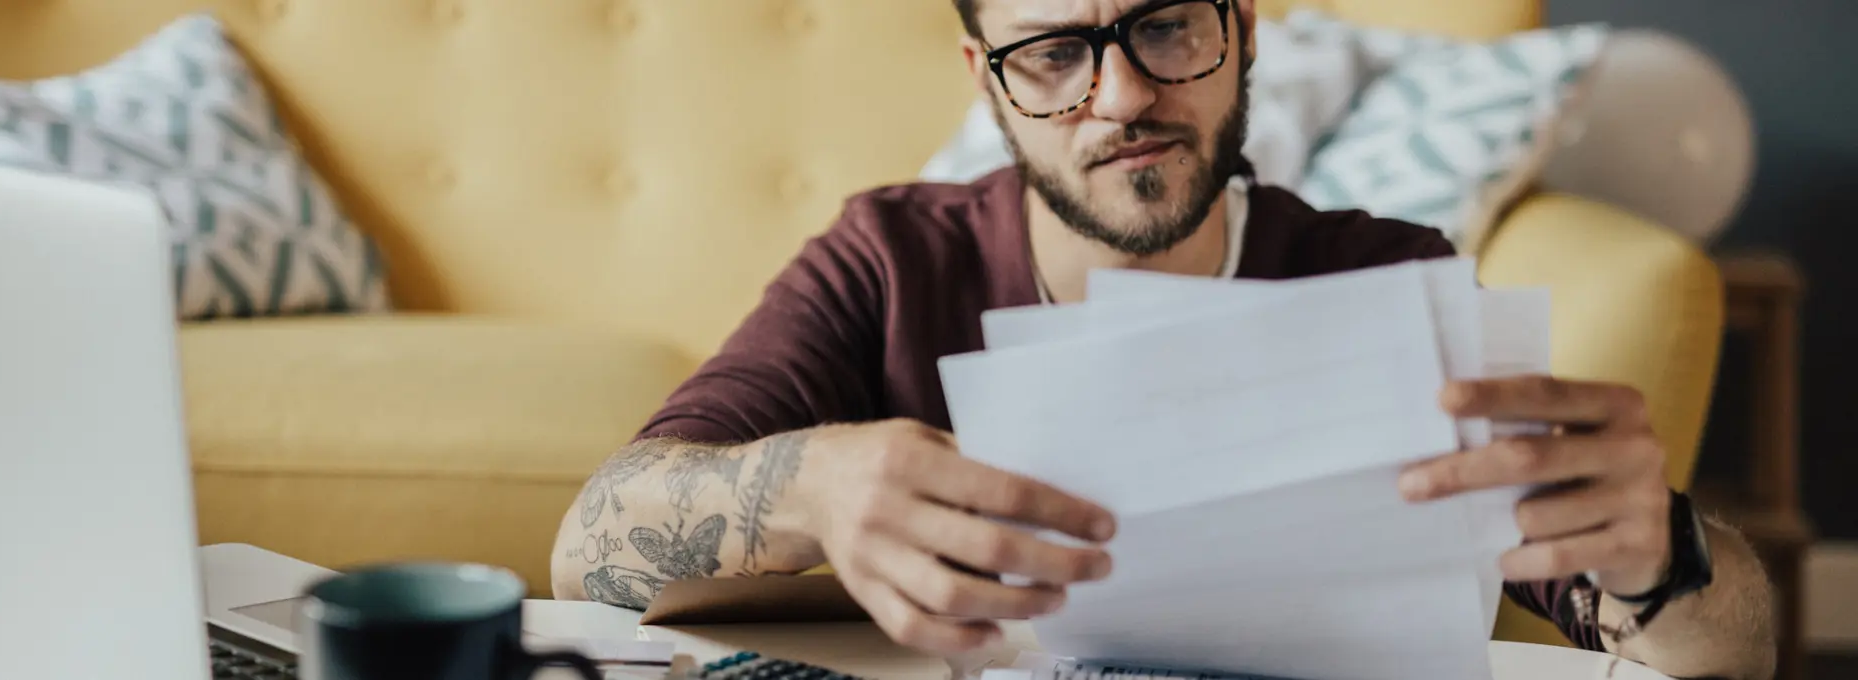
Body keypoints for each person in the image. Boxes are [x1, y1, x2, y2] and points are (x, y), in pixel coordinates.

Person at [549, 0, 1777, 677]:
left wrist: (1656, 547)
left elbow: (1723, 651)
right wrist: (812, 481)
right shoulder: (888, 258)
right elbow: (591, 550)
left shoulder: (1383, 280)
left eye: (1168, 27)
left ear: (1243, 29)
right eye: (1056, 52)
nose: (1125, 94)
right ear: (990, 82)